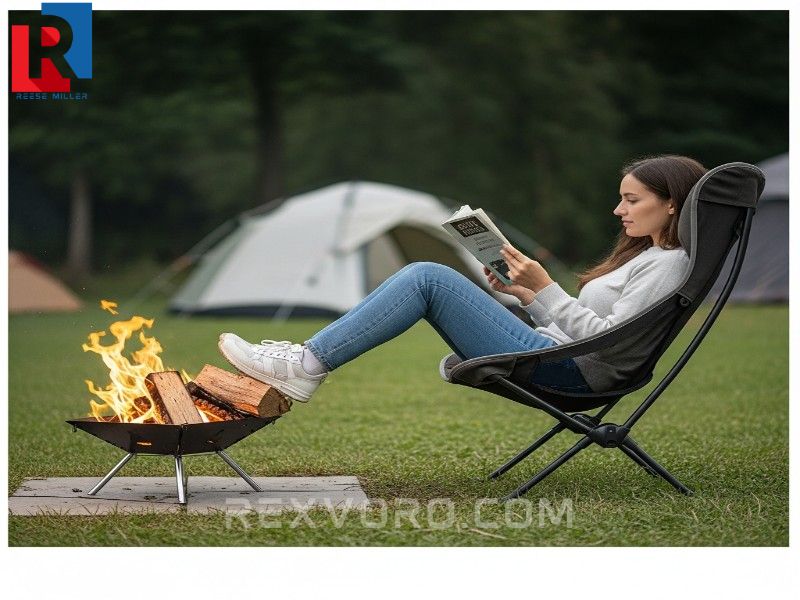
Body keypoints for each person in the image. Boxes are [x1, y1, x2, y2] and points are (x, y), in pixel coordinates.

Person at [218, 155, 707, 402]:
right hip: (555, 353)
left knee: (428, 276)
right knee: (431, 277)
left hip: (572, 374)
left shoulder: (668, 264)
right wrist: (528, 296)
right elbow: (585, 326)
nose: (618, 209)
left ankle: (305, 364)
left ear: (671, 202)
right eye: (621, 198)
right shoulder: (649, 257)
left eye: (632, 199)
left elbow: (612, 342)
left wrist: (546, 289)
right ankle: (306, 361)